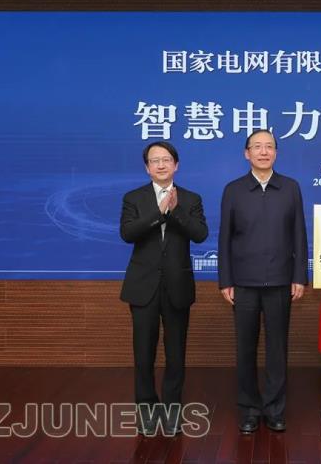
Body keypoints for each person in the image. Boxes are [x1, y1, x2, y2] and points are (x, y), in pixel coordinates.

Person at [218, 129, 308, 433]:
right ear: (247, 154)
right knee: (245, 348)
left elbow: (299, 234)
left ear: (276, 153)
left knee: (277, 348)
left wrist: (299, 276)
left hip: (281, 280)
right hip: (243, 282)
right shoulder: (233, 190)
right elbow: (224, 239)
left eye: (269, 146)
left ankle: (274, 409)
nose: (263, 152)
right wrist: (225, 280)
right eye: (257, 147)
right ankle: (249, 409)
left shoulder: (290, 187)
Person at [120, 141, 208, 435]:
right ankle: (146, 409)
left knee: (175, 354)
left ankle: (172, 410)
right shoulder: (134, 198)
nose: (161, 164)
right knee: (143, 353)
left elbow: (200, 234)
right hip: (143, 286)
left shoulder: (191, 199)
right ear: (147, 167)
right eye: (155, 160)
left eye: (166, 159)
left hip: (177, 286)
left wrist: (175, 211)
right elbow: (127, 233)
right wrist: (158, 212)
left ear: (176, 165)